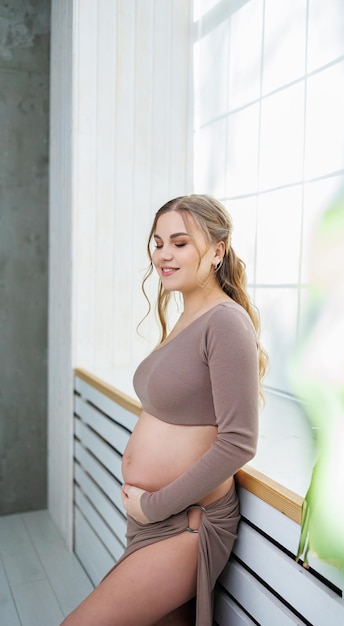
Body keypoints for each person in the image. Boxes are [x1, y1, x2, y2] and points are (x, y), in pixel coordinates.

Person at [62, 194, 268, 626]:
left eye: (180, 242)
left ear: (217, 251)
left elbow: (239, 442)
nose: (164, 255)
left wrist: (154, 506)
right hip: (156, 518)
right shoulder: (189, 314)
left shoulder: (225, 322)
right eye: (158, 243)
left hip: (184, 524)